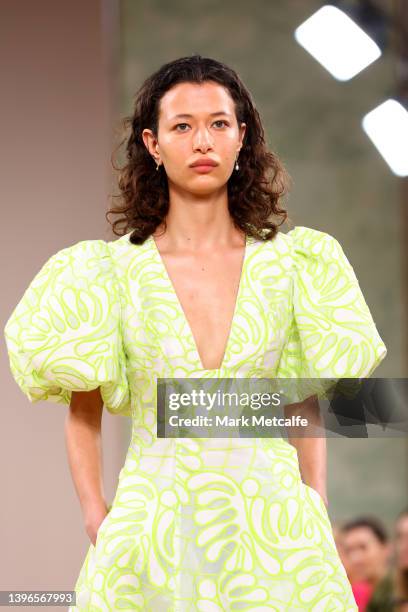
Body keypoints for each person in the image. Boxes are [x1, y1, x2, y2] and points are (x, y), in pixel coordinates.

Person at [4, 54, 387, 611]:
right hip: (153, 522)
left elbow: (303, 401)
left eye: (218, 124)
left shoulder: (299, 264)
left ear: (241, 137)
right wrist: (96, 514)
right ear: (153, 144)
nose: (202, 141)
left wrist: (314, 502)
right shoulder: (105, 272)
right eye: (182, 126)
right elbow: (81, 408)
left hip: (272, 521)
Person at [341, 516, 393, 611]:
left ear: (386, 548)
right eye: (348, 551)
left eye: (363, 547)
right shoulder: (346, 597)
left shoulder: (401, 595)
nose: (355, 559)